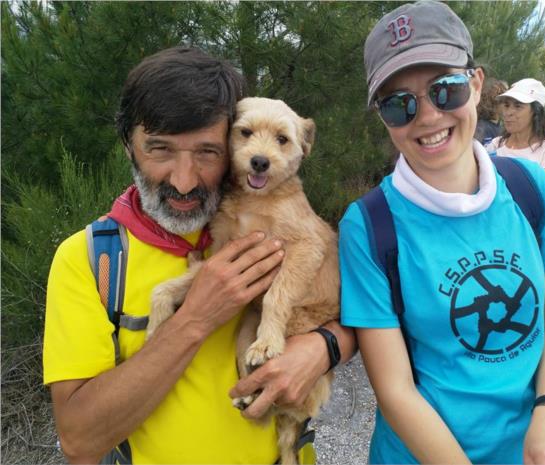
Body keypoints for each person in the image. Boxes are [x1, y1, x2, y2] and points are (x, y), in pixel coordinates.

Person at [43, 46, 356, 464]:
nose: (185, 182)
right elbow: (79, 441)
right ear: (128, 146)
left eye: (207, 152)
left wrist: (324, 348)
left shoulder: (257, 222)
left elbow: (355, 314)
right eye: (160, 149)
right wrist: (195, 318)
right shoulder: (90, 259)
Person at [339, 2, 545, 464]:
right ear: (382, 117)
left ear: (475, 85)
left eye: (445, 89)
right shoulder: (369, 224)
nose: (427, 117)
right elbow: (395, 391)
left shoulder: (528, 186)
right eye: (399, 104)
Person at [486, 78, 545, 191]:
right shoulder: (496, 144)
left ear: (536, 112)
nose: (508, 112)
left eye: (518, 106)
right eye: (506, 105)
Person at [473, 77, 507, 145]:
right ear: (494, 101)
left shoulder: (501, 127)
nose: (508, 107)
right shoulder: (480, 129)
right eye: (506, 102)